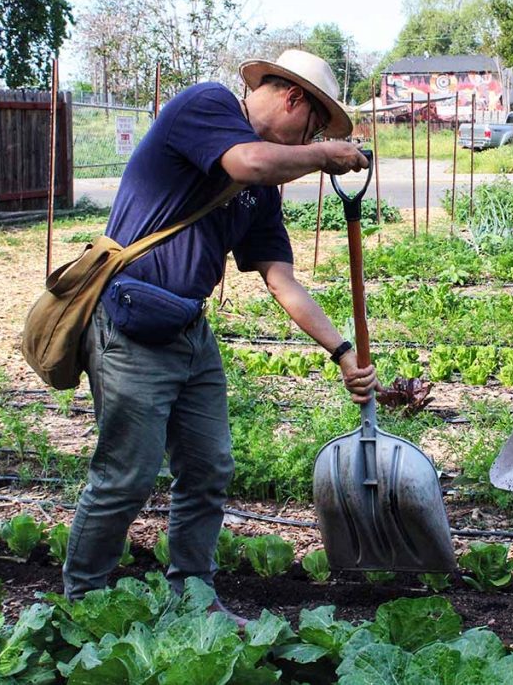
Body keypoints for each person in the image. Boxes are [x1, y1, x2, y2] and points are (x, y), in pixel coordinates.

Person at [62, 50, 380, 620]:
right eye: (312, 127)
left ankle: (194, 595)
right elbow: (250, 161)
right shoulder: (206, 105)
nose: (307, 140)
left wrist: (342, 351)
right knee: (125, 477)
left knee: (208, 469)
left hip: (188, 330)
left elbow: (282, 280)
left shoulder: (262, 194)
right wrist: (321, 155)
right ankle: (81, 604)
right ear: (293, 99)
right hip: (131, 326)